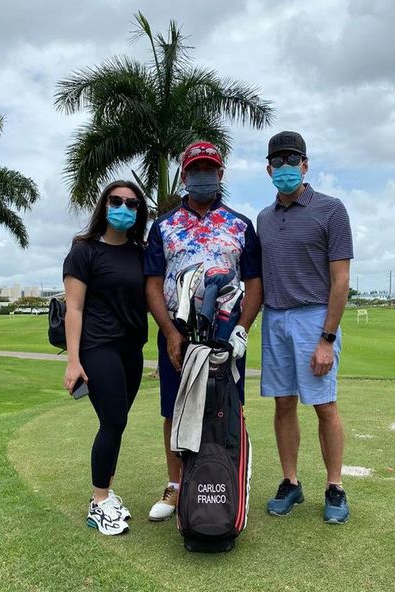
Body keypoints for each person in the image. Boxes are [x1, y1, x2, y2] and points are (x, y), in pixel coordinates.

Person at [145, 141, 262, 521]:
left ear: (221, 175)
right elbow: (152, 283)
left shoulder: (240, 225)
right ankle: (178, 487)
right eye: (195, 170)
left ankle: (226, 481)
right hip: (179, 335)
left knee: (226, 407)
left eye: (209, 169)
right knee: (174, 410)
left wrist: (242, 329)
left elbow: (255, 282)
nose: (202, 176)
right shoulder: (163, 227)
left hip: (226, 337)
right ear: (184, 175)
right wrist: (169, 332)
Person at [257, 131, 353, 524]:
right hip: (275, 317)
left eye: (291, 159)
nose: (284, 168)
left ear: (305, 164)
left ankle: (335, 487)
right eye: (277, 162)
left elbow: (341, 280)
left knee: (324, 406)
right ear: (268, 169)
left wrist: (327, 338)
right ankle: (290, 482)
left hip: (315, 317)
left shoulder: (331, 210)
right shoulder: (263, 218)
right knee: (283, 404)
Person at [62, 180, 148, 536]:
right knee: (112, 421)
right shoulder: (84, 252)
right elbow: (74, 309)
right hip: (98, 348)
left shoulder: (141, 252)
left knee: (119, 422)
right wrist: (72, 360)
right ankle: (99, 502)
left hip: (132, 350)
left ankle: (107, 492)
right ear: (104, 205)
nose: (124, 208)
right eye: (116, 201)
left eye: (132, 204)